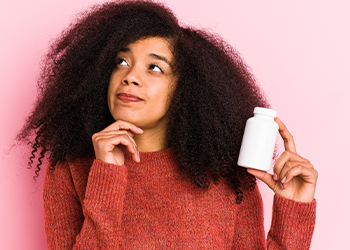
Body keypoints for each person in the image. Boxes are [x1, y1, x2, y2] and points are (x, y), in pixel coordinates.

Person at [17, 0, 318, 249]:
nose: (130, 76)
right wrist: (107, 174)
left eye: (155, 67)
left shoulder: (225, 177)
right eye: (120, 62)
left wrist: (292, 211)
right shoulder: (70, 168)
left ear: (184, 90)